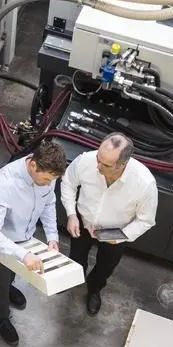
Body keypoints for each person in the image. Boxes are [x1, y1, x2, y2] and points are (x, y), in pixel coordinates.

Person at [0, 141, 69, 346]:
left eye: (52, 180)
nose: (49, 184)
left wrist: (52, 237)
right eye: (46, 179)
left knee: (13, 273)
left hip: (25, 237)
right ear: (33, 166)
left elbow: (49, 204)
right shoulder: (5, 181)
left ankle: (10, 287)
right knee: (0, 281)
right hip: (0, 242)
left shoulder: (48, 176)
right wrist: (23, 255)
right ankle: (1, 317)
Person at [61, 133, 158, 315]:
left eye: (105, 165)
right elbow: (68, 183)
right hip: (83, 222)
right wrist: (71, 214)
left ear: (122, 165)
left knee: (105, 266)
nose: (97, 166)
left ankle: (94, 290)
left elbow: (146, 219)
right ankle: (72, 279)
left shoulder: (144, 183)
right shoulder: (86, 161)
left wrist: (122, 236)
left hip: (115, 233)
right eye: (98, 158)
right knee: (76, 256)